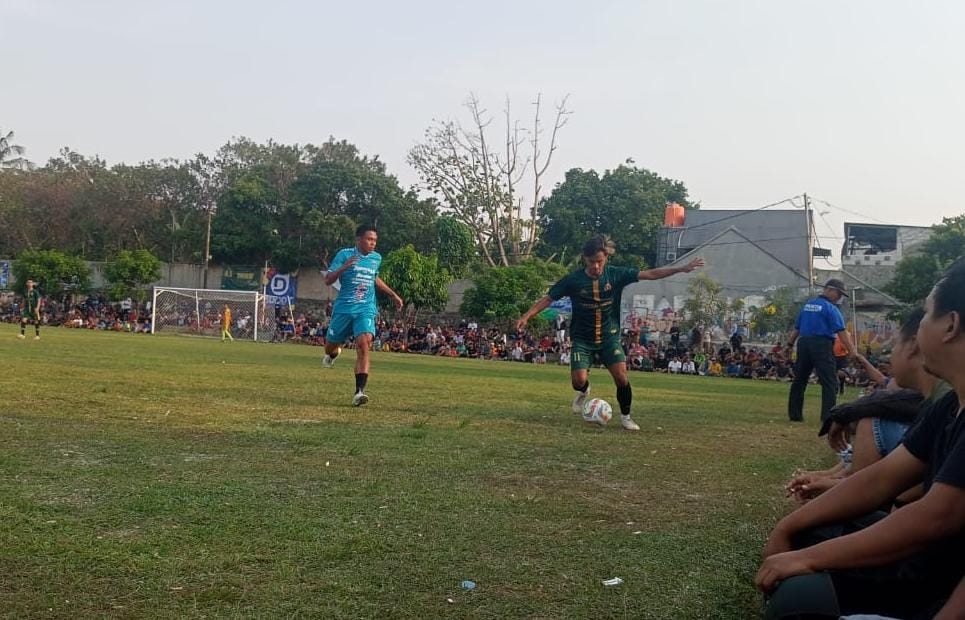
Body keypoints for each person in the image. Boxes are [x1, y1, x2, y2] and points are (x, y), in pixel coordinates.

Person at [756, 261, 965, 619]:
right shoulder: (949, 406)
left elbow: (937, 515)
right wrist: (789, 526)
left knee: (798, 601)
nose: (919, 328)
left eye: (927, 312)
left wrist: (806, 558)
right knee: (807, 548)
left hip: (939, 585)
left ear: (950, 324)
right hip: (921, 570)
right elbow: (880, 479)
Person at [516, 235, 704, 431]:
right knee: (578, 380)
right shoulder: (573, 280)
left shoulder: (616, 275)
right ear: (584, 259)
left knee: (621, 376)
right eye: (591, 262)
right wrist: (526, 316)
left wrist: (680, 268)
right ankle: (584, 390)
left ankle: (626, 417)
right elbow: (548, 298)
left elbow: (650, 274)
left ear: (606, 257)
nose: (596, 266)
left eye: (599, 261)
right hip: (582, 339)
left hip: (609, 337)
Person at [321, 225, 404, 406]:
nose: (372, 243)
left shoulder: (376, 258)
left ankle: (359, 392)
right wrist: (343, 267)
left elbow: (375, 278)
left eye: (375, 240)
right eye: (369, 239)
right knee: (330, 347)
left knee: (364, 343)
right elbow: (328, 279)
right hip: (344, 309)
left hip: (365, 309)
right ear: (359, 240)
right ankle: (333, 354)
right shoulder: (344, 254)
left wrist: (393, 294)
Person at [787, 279, 858, 423]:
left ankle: (795, 415)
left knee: (799, 380)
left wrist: (788, 345)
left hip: (804, 343)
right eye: (839, 294)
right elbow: (841, 332)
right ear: (829, 290)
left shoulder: (807, 306)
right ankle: (827, 417)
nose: (839, 298)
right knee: (830, 382)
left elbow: (797, 328)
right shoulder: (831, 309)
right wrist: (852, 351)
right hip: (822, 344)